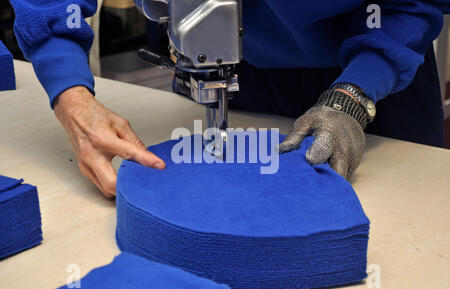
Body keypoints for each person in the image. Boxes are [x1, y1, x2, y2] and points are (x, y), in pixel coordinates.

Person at [9, 0, 450, 198]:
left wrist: (354, 96)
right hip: (242, 67)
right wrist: (71, 93)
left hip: (376, 72)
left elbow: (410, 4)